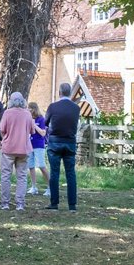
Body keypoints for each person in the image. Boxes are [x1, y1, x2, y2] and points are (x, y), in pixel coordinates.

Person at [45, 82, 82, 211]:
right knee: (70, 173)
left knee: (54, 173)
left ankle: (54, 203)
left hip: (55, 142)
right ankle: (72, 205)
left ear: (59, 92)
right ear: (70, 93)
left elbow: (45, 123)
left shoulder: (53, 107)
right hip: (70, 142)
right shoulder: (76, 108)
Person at [0, 92, 35, 210]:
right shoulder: (28, 114)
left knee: (5, 176)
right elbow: (32, 131)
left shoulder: (7, 113)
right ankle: (20, 203)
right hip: (23, 148)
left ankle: (5, 203)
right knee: (22, 176)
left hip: (8, 148)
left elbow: (2, 130)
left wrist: (5, 139)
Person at [28, 101, 49, 195]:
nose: (28, 110)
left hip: (39, 145)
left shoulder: (41, 119)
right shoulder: (28, 119)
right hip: (29, 144)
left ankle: (50, 187)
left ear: (34, 109)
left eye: (30, 108)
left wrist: (34, 125)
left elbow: (43, 133)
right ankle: (33, 186)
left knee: (41, 165)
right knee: (31, 166)